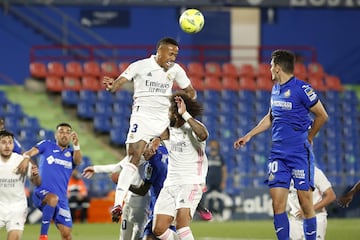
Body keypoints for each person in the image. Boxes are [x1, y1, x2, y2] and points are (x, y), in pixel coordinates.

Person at [233, 49, 328, 240]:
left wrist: (309, 136)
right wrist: (249, 135)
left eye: (270, 66)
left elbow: (322, 115)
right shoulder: (275, 89)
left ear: (277, 68)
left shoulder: (302, 89)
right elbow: (270, 117)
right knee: (277, 206)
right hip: (278, 154)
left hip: (300, 154)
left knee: (306, 205)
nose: (268, 69)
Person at [103, 37, 196, 219]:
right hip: (142, 117)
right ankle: (117, 204)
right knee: (134, 156)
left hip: (163, 120)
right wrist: (113, 86)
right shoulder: (140, 65)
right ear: (159, 51)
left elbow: (191, 91)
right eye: (170, 53)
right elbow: (121, 80)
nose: (173, 58)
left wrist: (186, 100)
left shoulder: (176, 70)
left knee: (178, 156)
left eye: (176, 54)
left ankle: (194, 201)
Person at [151, 91, 209, 240]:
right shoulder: (169, 130)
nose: (167, 114)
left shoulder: (194, 127)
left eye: (169, 111)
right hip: (170, 184)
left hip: (191, 182)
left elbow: (203, 135)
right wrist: (156, 140)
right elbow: (162, 134)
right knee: (158, 229)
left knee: (182, 225)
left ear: (175, 113)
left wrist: (186, 115)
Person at [16, 122, 82, 240]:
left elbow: (78, 161)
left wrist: (76, 145)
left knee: (67, 234)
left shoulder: (71, 154)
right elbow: (30, 152)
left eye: (68, 132)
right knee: (52, 198)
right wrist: (26, 158)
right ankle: (43, 236)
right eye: (61, 132)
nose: (64, 135)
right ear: (56, 135)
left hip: (62, 198)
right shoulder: (47, 145)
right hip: (42, 192)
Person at [82, 157, 151, 240]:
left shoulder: (151, 160)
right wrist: (96, 169)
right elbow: (118, 166)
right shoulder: (136, 154)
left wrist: (122, 182)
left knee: (138, 237)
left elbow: (142, 190)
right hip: (128, 202)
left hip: (142, 204)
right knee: (124, 237)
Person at [0, 130, 41, 240]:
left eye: (10, 142)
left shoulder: (21, 160)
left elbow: (37, 183)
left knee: (13, 238)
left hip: (17, 207)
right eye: (3, 142)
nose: (7, 146)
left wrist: (35, 175)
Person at [287, 166, 336, 240]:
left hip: (316, 218)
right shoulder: (286, 174)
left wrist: (308, 209)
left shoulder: (314, 172)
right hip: (296, 221)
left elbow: (331, 196)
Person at [201, 139, 227, 220]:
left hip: (218, 181)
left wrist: (223, 181)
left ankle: (220, 214)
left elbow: (224, 170)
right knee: (209, 199)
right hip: (208, 181)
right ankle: (210, 216)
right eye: (211, 145)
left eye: (214, 145)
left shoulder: (220, 157)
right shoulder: (207, 157)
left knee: (220, 198)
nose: (213, 147)